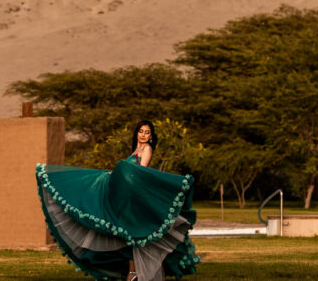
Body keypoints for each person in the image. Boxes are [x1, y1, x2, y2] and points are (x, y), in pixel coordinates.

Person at [35, 120, 199, 280]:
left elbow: (139, 173)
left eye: (147, 132)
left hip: (134, 198)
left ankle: (134, 273)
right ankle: (132, 272)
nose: (143, 135)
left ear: (150, 136)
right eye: (141, 131)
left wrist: (121, 170)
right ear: (137, 133)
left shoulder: (147, 149)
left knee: (133, 235)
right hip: (127, 198)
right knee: (127, 237)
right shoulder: (136, 149)